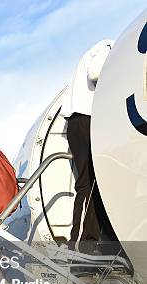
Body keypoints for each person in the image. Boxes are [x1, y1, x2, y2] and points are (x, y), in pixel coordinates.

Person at [61, 39, 116, 253]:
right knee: (90, 183)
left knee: (92, 182)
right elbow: (96, 73)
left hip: (80, 120)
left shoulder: (92, 50)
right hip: (87, 118)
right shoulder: (108, 46)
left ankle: (92, 240)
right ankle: (82, 244)